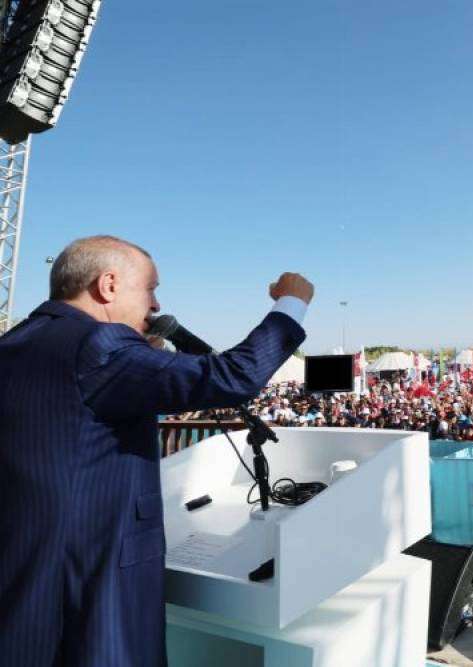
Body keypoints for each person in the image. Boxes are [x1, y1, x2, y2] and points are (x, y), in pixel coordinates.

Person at [0, 236, 312, 666]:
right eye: (149, 288)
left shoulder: (17, 342)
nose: (155, 304)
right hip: (94, 595)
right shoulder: (99, 346)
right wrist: (291, 303)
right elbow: (234, 376)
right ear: (108, 285)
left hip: (25, 585)